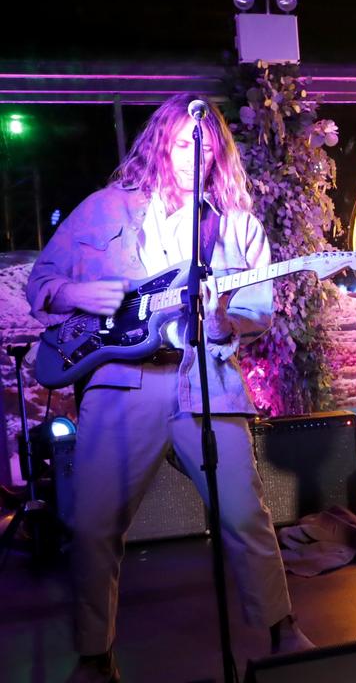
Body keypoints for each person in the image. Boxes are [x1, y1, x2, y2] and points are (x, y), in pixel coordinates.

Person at [25, 94, 312, 683]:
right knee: (95, 523)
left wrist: (223, 316)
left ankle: (283, 632)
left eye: (200, 147)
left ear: (217, 153)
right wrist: (79, 295)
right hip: (121, 383)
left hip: (204, 378)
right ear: (161, 143)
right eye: (181, 143)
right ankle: (93, 654)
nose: (190, 156)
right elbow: (42, 283)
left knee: (244, 514)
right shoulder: (106, 210)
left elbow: (259, 310)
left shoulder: (235, 227)